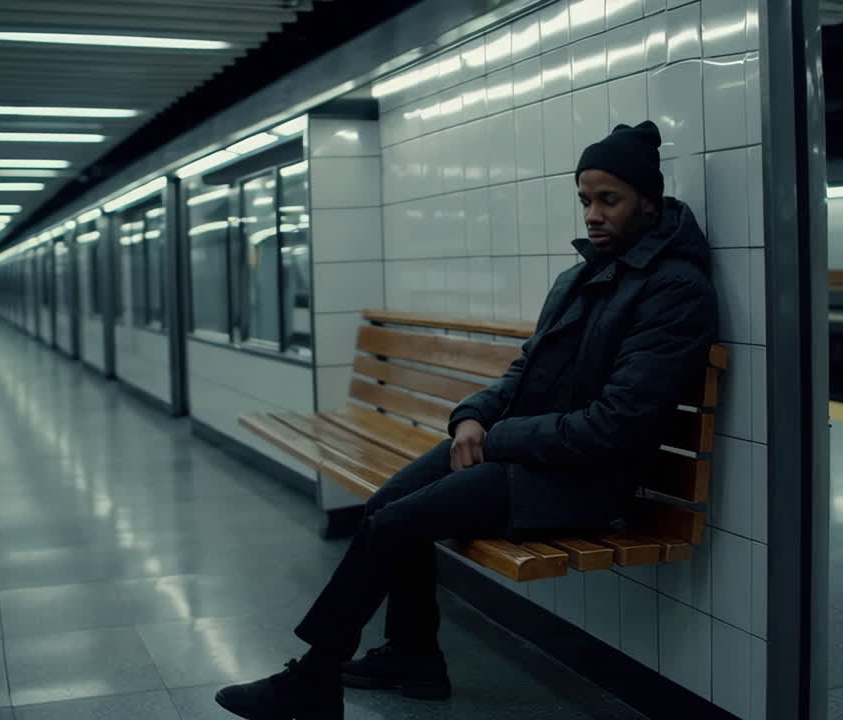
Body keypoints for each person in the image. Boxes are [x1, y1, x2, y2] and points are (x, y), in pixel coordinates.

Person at [215, 120, 718, 720]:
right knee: (384, 507)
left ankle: (314, 679)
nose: (592, 215)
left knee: (401, 522)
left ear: (649, 202)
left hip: (586, 478)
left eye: (609, 200)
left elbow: (617, 423)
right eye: (585, 200)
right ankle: (412, 654)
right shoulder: (580, 277)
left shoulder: (676, 291)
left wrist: (502, 436)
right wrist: (472, 418)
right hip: (528, 452)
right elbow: (525, 370)